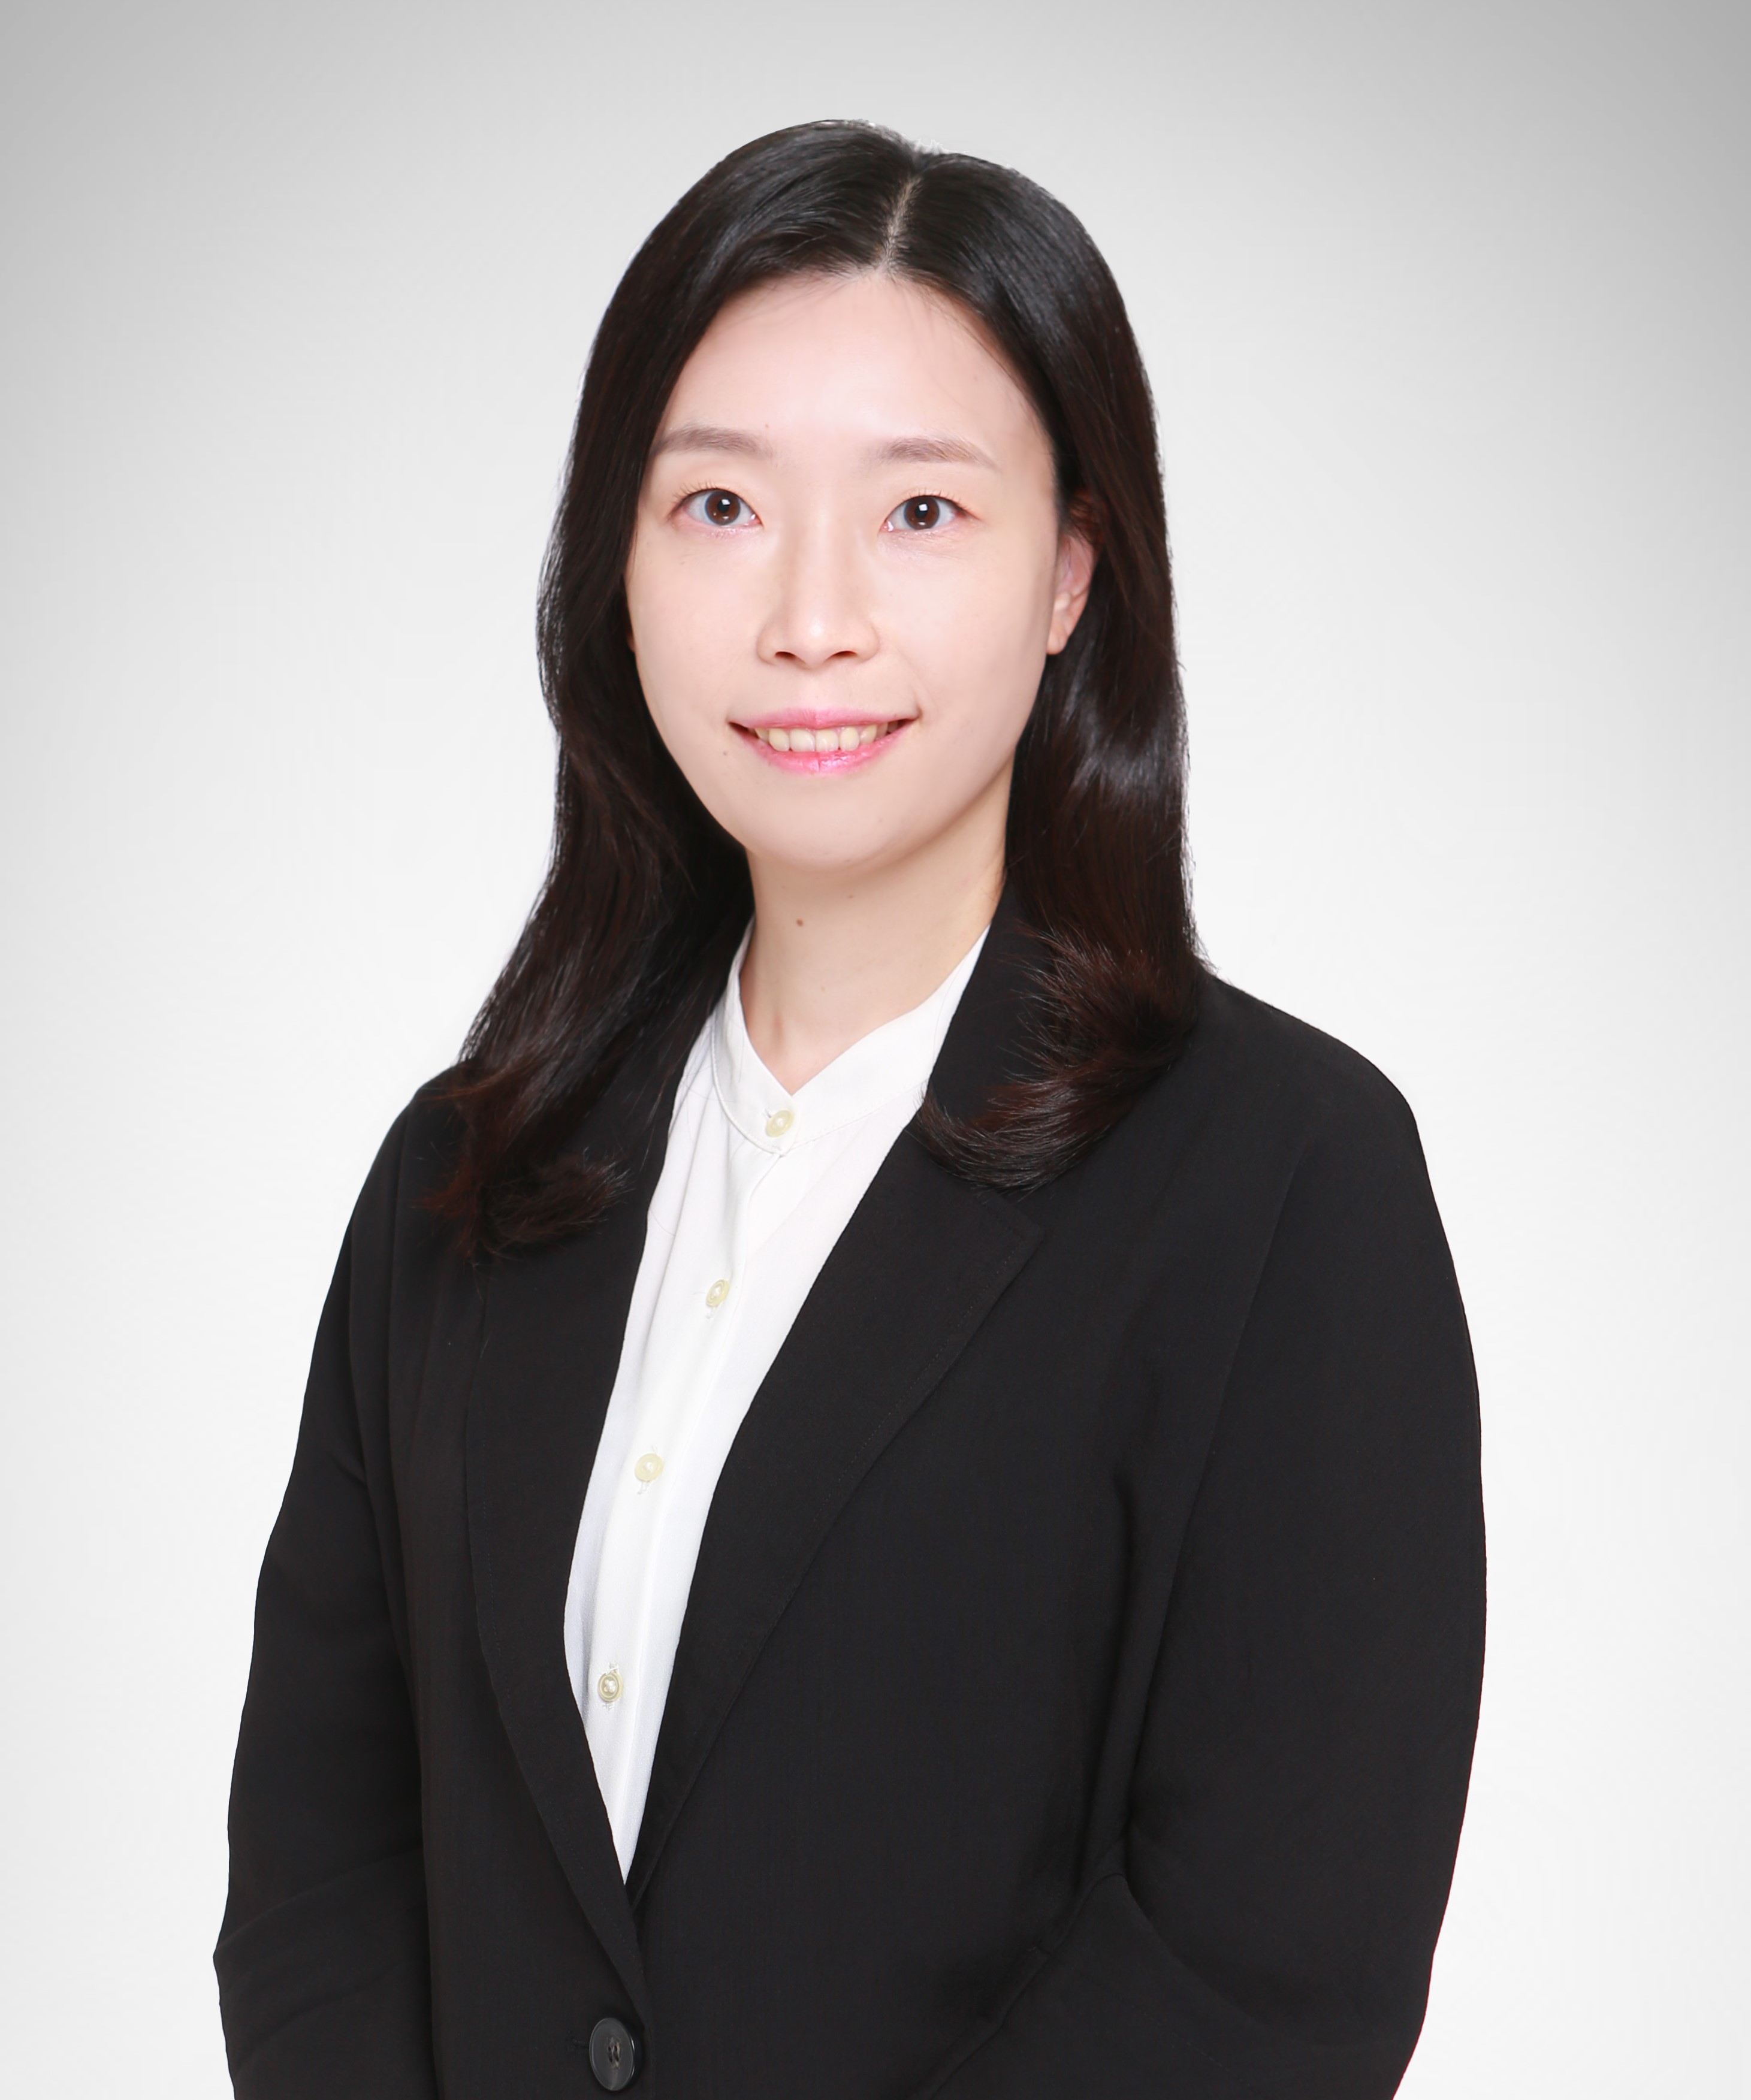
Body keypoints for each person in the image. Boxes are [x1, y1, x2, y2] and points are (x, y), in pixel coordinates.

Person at [216, 120, 1484, 2099]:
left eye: (917, 513)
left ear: (1071, 570)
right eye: (717, 505)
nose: (808, 616)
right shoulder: (462, 1180)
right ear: (613, 561)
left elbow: (1265, 1965)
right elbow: (322, 1871)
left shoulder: (1282, 1181)